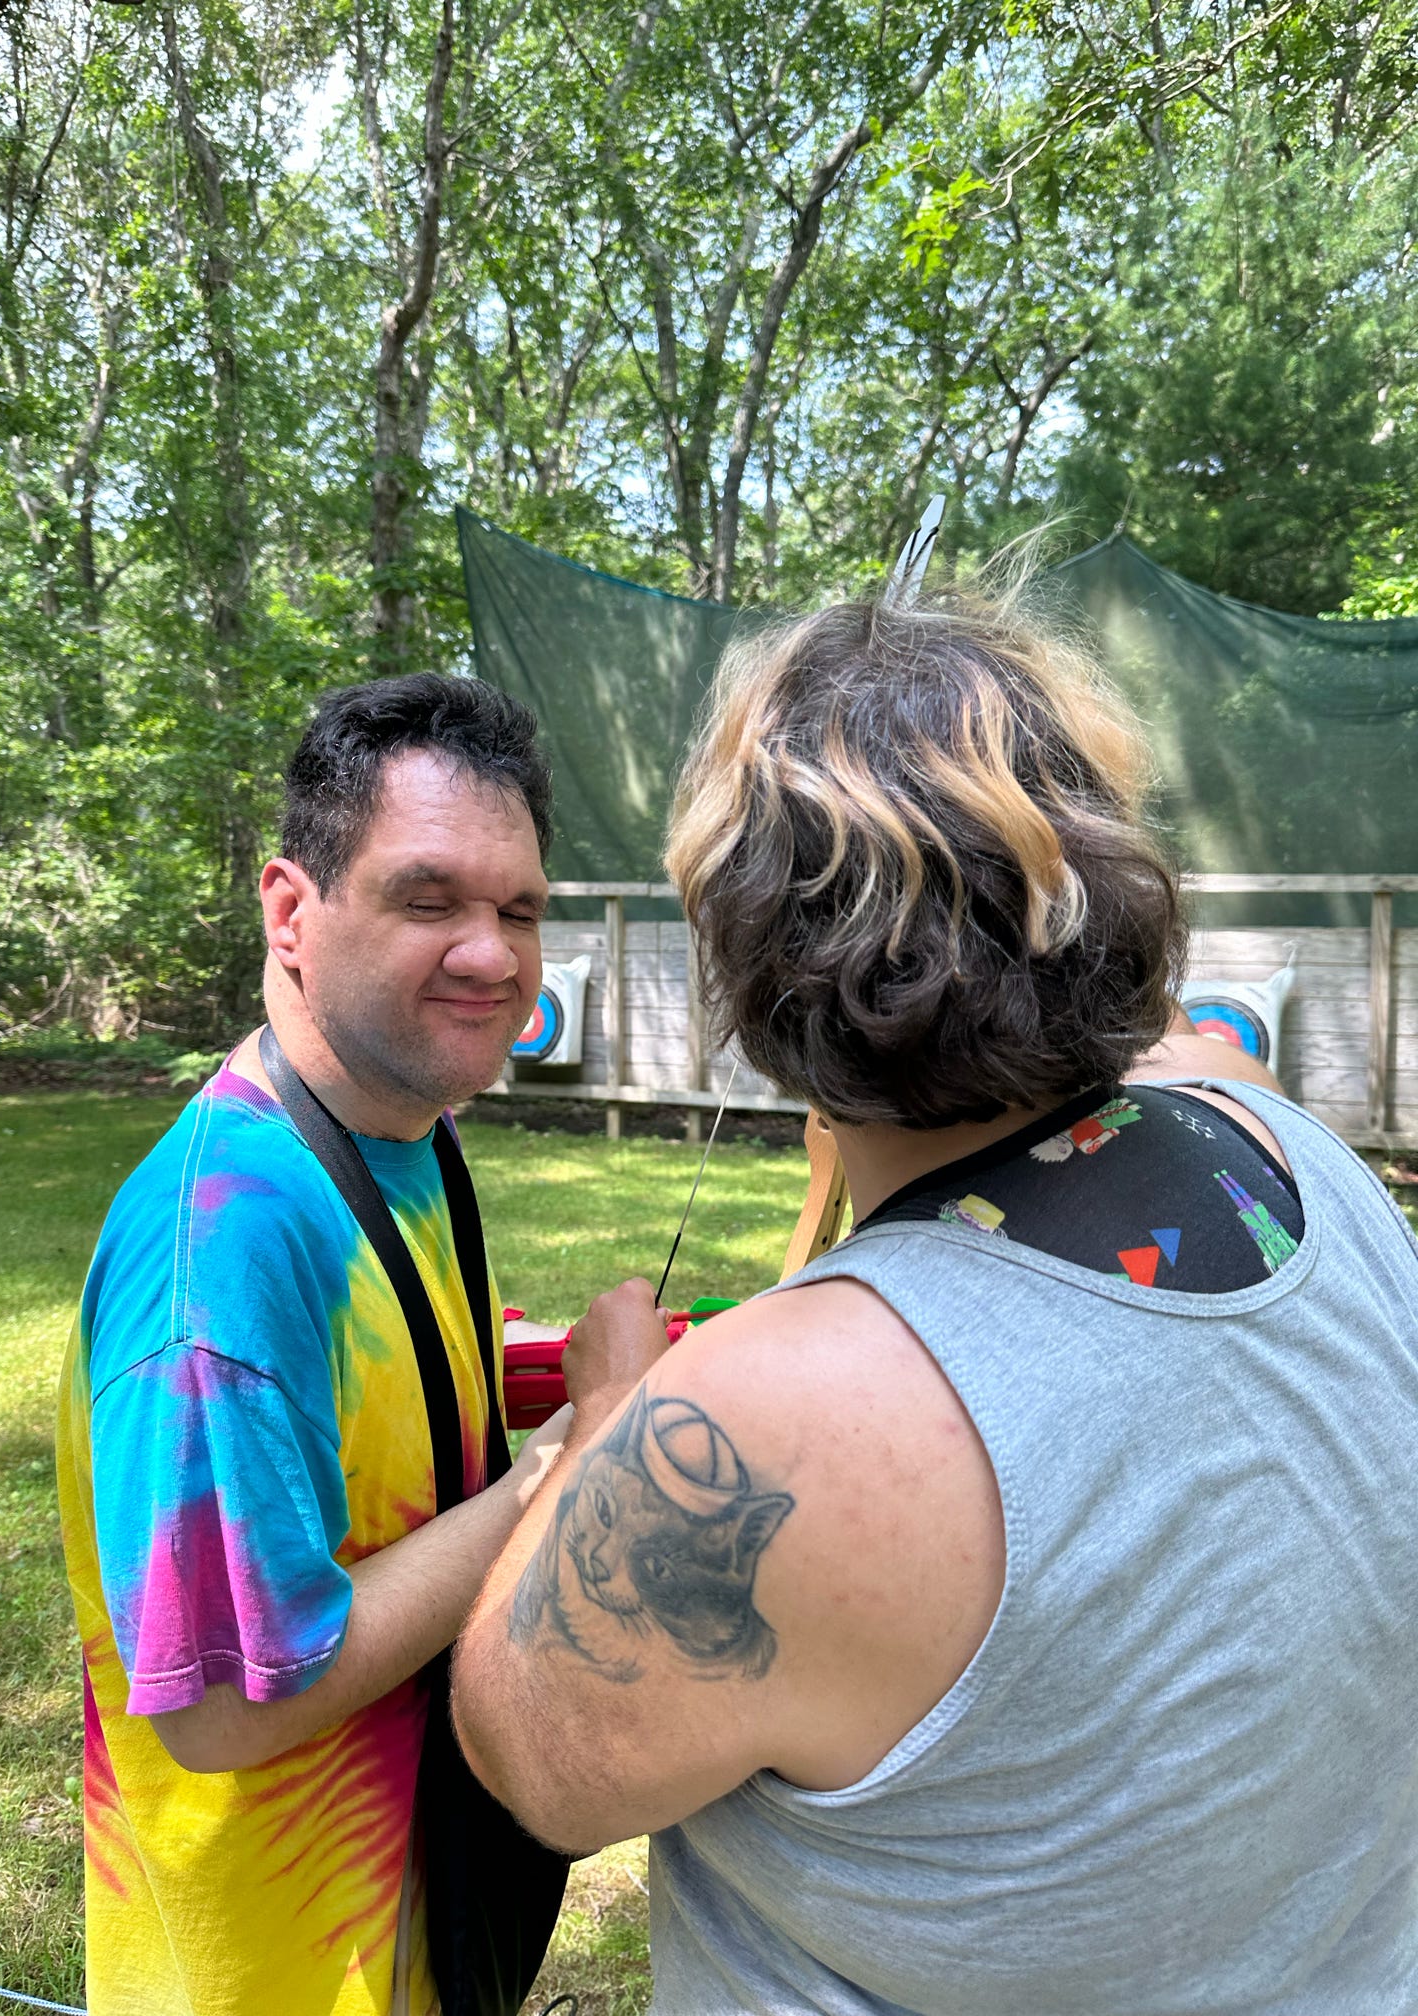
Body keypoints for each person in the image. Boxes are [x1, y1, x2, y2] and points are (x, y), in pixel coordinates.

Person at [451, 585, 1418, 2013]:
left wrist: (610, 1412)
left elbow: (532, 1756)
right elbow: (1156, 1051)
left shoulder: (770, 1416)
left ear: (743, 952)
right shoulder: (1291, 1148)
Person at [56, 674, 623, 2016]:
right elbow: (225, 1707)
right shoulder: (222, 1255)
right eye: (429, 900)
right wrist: (570, 1455)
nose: (493, 956)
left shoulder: (402, 1131)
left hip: (423, 1918)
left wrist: (564, 1368)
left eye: (519, 909)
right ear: (291, 912)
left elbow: (384, 1390)